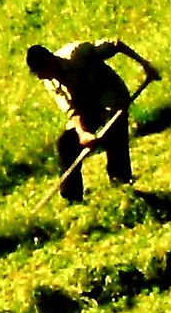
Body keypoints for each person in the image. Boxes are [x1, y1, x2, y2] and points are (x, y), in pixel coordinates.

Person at [26, 39, 160, 202]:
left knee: (114, 136)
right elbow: (73, 111)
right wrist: (83, 134)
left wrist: (145, 65)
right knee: (65, 144)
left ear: (50, 60)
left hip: (111, 99)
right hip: (87, 108)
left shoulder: (78, 53)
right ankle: (72, 198)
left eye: (42, 71)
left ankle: (122, 188)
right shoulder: (51, 82)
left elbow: (116, 45)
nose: (41, 77)